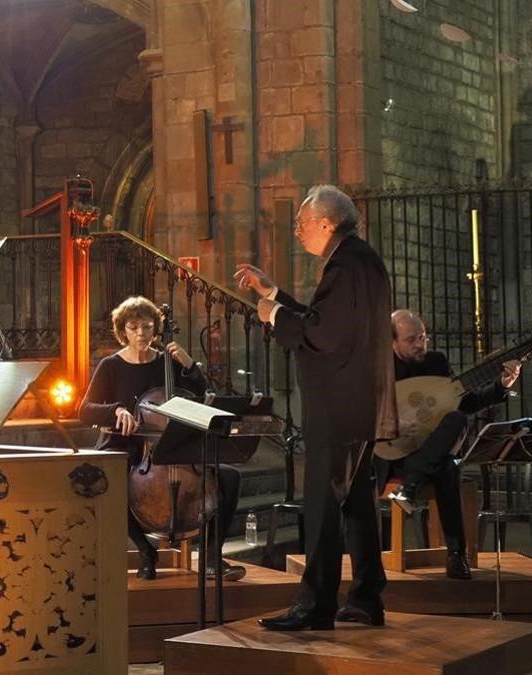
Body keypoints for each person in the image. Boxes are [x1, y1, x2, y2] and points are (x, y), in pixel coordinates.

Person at [234, 184, 396, 631]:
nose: (298, 233)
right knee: (358, 502)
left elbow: (321, 335)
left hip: (339, 405)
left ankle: (315, 605)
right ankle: (366, 596)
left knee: (324, 504)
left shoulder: (346, 265)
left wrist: (273, 316)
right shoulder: (360, 260)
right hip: (358, 403)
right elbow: (327, 323)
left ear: (326, 222)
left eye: (302, 224)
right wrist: (278, 295)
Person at [77, 296, 246, 582]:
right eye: (134, 327)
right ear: (123, 331)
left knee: (229, 478)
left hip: (170, 446)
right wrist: (116, 409)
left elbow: (205, 395)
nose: (141, 333)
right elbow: (84, 410)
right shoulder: (110, 366)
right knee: (107, 483)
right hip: (126, 444)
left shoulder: (167, 362)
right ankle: (146, 551)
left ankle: (211, 557)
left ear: (156, 329)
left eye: (147, 326)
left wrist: (190, 365)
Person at [382, 309, 521, 580]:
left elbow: (465, 402)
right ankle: (456, 555)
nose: (421, 344)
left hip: (427, 451)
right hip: (396, 452)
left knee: (456, 419)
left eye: (423, 337)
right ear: (392, 342)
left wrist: (502, 387)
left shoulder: (436, 362)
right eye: (411, 339)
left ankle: (409, 487)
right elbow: (363, 411)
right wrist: (393, 424)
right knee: (447, 465)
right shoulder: (379, 368)